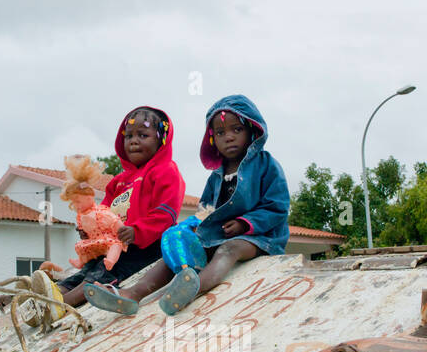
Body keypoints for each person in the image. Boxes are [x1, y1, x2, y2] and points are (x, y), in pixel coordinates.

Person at [84, 94, 289, 316]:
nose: (228, 137)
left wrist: (244, 224)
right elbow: (206, 209)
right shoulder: (216, 176)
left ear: (252, 131)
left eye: (236, 130)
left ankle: (193, 287)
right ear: (212, 139)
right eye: (220, 132)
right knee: (173, 251)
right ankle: (132, 294)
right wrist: (195, 225)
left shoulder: (267, 165)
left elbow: (277, 206)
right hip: (218, 233)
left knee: (228, 250)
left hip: (259, 238)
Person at [54, 106, 186, 308]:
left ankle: (61, 306)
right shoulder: (118, 182)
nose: (134, 141)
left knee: (103, 273)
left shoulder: (165, 171)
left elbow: (166, 214)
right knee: (86, 270)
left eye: (143, 135)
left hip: (146, 247)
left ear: (161, 139)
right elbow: (102, 212)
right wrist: (89, 230)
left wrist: (137, 231)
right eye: (129, 136)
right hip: (113, 247)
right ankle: (52, 295)